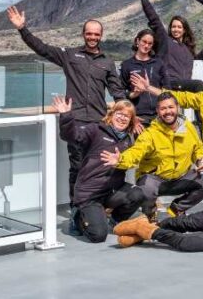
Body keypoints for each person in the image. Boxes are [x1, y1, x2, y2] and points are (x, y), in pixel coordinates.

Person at [6, 5, 126, 228]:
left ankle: (95, 208)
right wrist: (22, 29)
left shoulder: (107, 63)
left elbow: (117, 92)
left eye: (96, 34)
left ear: (101, 36)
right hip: (77, 122)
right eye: (89, 33)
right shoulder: (70, 55)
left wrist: (133, 111)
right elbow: (42, 49)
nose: (92, 37)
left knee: (99, 167)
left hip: (100, 124)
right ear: (83, 34)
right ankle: (76, 212)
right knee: (78, 167)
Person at [100, 92, 203, 218]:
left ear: (177, 107)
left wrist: (201, 159)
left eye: (171, 107)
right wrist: (120, 159)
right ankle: (150, 213)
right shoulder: (150, 133)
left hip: (180, 178)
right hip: (156, 181)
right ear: (157, 111)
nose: (167, 112)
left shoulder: (189, 128)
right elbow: (136, 152)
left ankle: (177, 208)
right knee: (145, 188)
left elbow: (198, 148)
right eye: (163, 108)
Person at [55, 96, 145, 243]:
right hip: (90, 194)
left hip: (111, 192)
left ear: (131, 121)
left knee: (138, 194)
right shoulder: (96, 130)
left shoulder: (128, 140)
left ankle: (115, 219)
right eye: (119, 113)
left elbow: (137, 155)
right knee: (98, 235)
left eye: (127, 116)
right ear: (111, 114)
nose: (122, 118)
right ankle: (78, 216)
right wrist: (66, 116)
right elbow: (72, 136)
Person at [121, 0, 170, 122]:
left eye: (150, 44)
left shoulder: (158, 63)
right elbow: (123, 94)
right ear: (137, 41)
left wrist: (149, 88)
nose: (146, 46)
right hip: (138, 119)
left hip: (159, 116)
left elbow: (167, 92)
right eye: (144, 42)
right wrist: (135, 94)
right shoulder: (127, 65)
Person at [164, 14, 203, 92]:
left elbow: (195, 61)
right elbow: (155, 23)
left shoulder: (187, 47)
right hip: (171, 82)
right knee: (199, 85)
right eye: (173, 27)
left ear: (184, 30)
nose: (176, 29)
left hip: (184, 83)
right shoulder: (167, 43)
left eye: (179, 27)